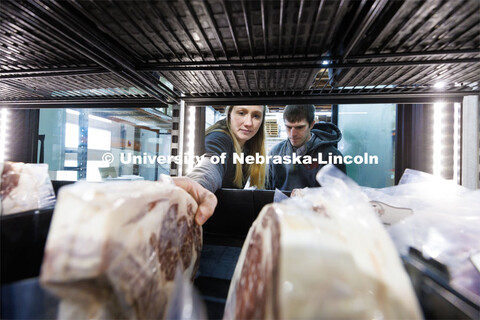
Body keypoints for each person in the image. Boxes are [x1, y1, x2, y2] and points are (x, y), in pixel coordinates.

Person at [175, 105, 268, 225]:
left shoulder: (249, 145)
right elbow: (211, 164)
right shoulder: (219, 137)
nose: (248, 123)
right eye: (241, 113)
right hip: (202, 220)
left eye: (256, 116)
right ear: (229, 113)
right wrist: (198, 186)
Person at [267, 104, 346, 190]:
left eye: (299, 127)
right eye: (288, 127)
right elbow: (266, 191)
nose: (293, 134)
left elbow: (338, 196)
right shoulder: (274, 153)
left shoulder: (332, 156)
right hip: (280, 203)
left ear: (311, 125)